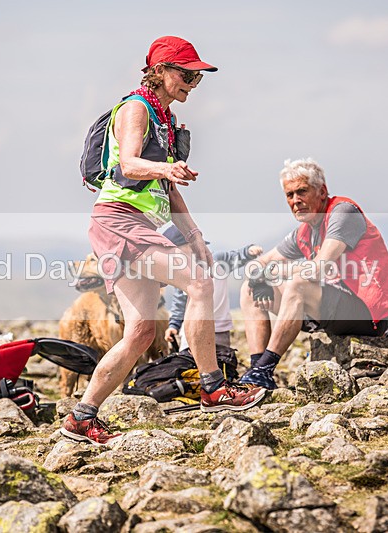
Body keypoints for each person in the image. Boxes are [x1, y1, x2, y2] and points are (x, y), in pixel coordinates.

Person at [61, 36, 266, 446]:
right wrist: (166, 169)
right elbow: (129, 163)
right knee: (200, 283)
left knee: (139, 332)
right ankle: (213, 388)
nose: (193, 82)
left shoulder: (165, 119)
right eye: (186, 74)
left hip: (132, 224)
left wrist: (196, 238)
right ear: (159, 71)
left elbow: (168, 192)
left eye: (197, 78)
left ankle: (81, 417)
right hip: (119, 221)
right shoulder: (136, 108)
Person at [239, 158, 388, 389]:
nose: (296, 200)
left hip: (368, 315)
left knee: (299, 283)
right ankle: (256, 372)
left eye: (302, 191)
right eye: (289, 195)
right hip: (333, 309)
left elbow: (319, 268)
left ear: (322, 191)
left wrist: (269, 272)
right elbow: (259, 263)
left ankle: (265, 368)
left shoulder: (343, 212)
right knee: (248, 288)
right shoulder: (304, 231)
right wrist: (259, 278)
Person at [165, 243, 263, 350]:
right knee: (189, 358)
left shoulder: (218, 260)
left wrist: (248, 252)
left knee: (221, 357)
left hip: (219, 329)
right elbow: (179, 303)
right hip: (192, 329)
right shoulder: (182, 273)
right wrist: (174, 325)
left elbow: (235, 257)